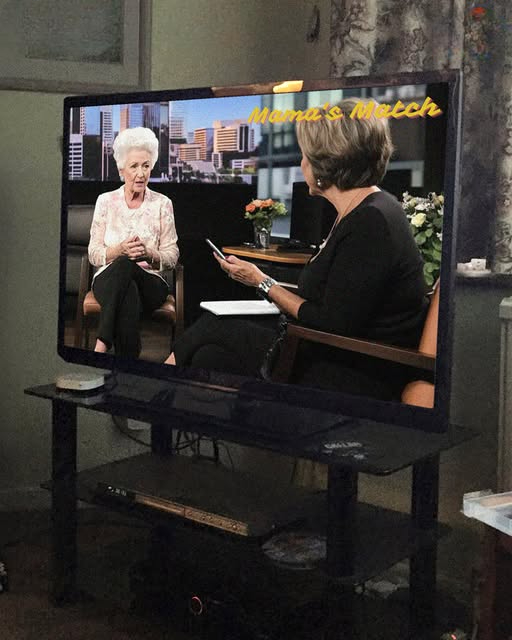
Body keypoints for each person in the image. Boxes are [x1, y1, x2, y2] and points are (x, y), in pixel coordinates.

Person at [164, 98, 429, 400]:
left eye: (305, 156)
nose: (302, 164)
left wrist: (263, 282)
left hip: (353, 369)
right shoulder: (365, 209)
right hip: (330, 350)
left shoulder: (372, 221)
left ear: (325, 164)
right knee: (208, 357)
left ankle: (153, 387)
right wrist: (261, 279)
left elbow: (332, 322)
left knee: (213, 326)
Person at [88, 127, 179, 357]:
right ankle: (130, 359)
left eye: (146, 166)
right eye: (134, 166)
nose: (141, 174)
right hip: (109, 280)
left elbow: (172, 256)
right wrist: (119, 251)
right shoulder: (105, 201)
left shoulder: (163, 204)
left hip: (151, 282)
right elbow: (93, 253)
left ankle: (102, 343)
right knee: (126, 281)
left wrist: (149, 254)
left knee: (127, 267)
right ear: (121, 170)